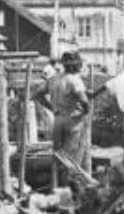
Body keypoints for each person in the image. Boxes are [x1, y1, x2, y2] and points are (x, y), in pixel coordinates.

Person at [35, 51, 90, 183]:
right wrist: (85, 112)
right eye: (78, 64)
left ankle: (58, 187)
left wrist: (52, 107)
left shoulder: (54, 79)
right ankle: (70, 191)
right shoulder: (75, 80)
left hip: (58, 120)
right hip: (73, 121)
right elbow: (84, 101)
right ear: (74, 65)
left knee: (59, 157)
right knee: (72, 159)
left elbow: (38, 95)